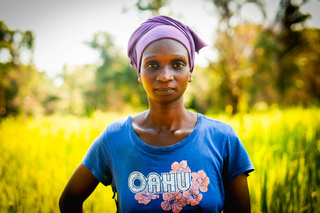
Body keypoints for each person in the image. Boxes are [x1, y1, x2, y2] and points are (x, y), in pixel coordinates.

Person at [59, 15, 254, 213]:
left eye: (178, 64)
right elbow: (69, 201)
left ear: (190, 71)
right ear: (139, 73)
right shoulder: (115, 138)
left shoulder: (222, 139)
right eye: (152, 65)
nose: (165, 76)